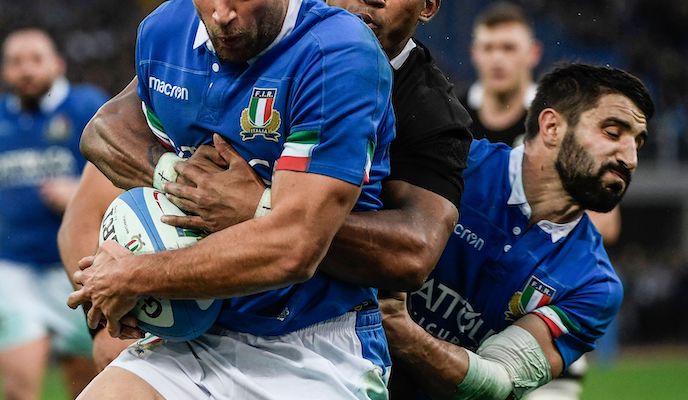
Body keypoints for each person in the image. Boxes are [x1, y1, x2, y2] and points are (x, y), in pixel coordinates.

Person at [60, 0, 472, 372]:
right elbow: (103, 133)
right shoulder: (209, 40)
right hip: (204, 322)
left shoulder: (427, 109)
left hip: (334, 336)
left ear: (428, 7)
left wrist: (260, 208)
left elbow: (411, 254)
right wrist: (184, 183)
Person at [380, 63, 653, 399]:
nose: (630, 157)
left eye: (637, 142)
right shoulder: (456, 164)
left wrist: (403, 333)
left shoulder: (593, 285)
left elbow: (498, 382)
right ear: (552, 126)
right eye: (613, 133)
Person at [0, 28, 107, 400]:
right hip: (14, 270)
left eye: (36, 60)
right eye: (15, 62)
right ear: (4, 72)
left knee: (86, 387)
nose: (25, 70)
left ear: (58, 64)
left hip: (81, 268)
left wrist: (81, 191)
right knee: (17, 391)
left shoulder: (89, 106)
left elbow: (125, 168)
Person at [463, 1, 541, 147]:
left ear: (533, 53)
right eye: (488, 48)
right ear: (474, 54)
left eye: (508, 48)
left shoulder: (551, 118)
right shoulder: (452, 114)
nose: (497, 59)